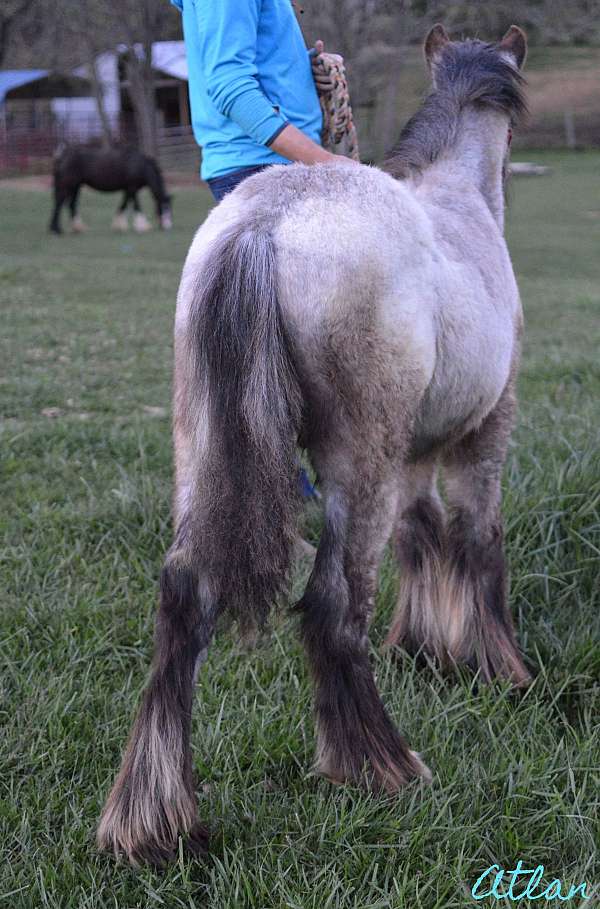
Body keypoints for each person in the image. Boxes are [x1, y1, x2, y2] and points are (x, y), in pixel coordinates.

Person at [169, 0, 341, 202]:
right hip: (266, 170)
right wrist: (328, 163)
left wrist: (301, 69)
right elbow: (230, 87)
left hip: (270, 166)